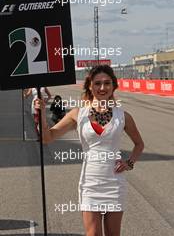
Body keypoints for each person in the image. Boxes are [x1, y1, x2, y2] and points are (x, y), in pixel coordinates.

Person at [35, 65, 144, 236]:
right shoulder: (78, 114)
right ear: (89, 86)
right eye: (97, 83)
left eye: (107, 83)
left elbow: (139, 144)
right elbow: (47, 138)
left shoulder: (123, 116)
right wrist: (41, 114)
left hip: (115, 183)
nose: (102, 87)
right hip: (90, 183)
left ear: (113, 86)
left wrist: (129, 163)